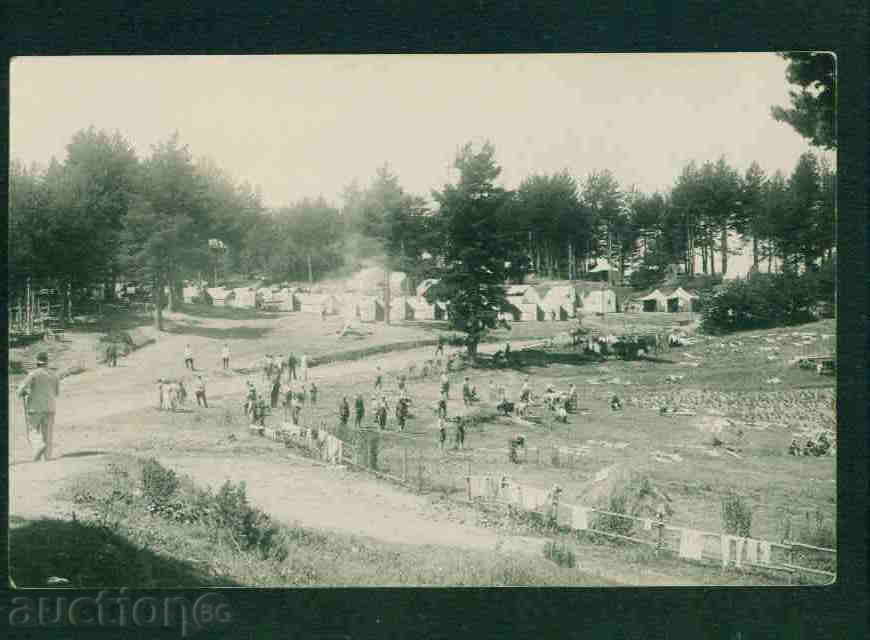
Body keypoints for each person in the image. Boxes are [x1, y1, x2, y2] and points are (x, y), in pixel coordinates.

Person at [17, 351, 60, 462]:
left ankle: (38, 445)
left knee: (32, 430)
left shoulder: (33, 374)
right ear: (47, 362)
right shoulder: (54, 374)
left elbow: (21, 389)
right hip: (50, 407)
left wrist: (23, 393)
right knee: (48, 433)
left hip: (35, 407)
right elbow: (56, 393)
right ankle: (47, 457)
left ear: (37, 362)